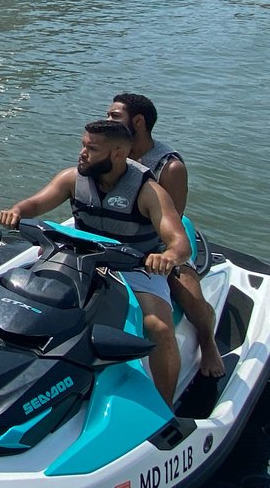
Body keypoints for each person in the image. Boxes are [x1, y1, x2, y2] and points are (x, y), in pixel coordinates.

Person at [0, 120, 190, 405]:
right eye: (83, 145)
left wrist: (167, 257)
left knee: (158, 327)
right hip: (78, 258)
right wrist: (15, 212)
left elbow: (180, 243)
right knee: (26, 300)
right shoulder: (72, 178)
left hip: (134, 267)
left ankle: (164, 404)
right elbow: (35, 205)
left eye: (92, 148)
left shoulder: (148, 191)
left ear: (117, 154)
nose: (83, 153)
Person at [108, 93, 224, 378]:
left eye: (114, 116)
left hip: (158, 243)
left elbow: (172, 223)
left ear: (138, 122)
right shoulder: (110, 150)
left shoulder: (168, 166)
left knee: (187, 294)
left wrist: (162, 256)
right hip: (114, 234)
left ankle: (208, 343)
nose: (107, 120)